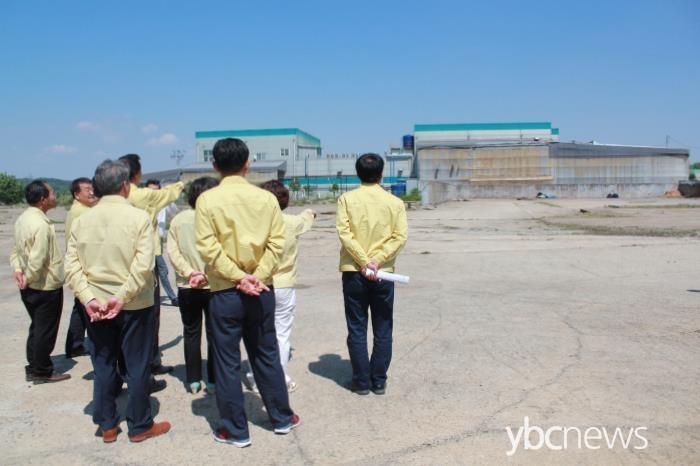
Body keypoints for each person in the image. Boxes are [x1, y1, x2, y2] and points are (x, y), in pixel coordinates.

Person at [196, 137, 299, 448]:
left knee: (227, 362)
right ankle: (281, 417)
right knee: (266, 354)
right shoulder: (266, 199)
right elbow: (277, 244)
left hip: (225, 292)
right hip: (261, 289)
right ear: (247, 163)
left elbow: (209, 248)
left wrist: (238, 277)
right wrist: (256, 276)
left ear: (214, 165)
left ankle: (236, 430)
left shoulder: (207, 200)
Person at [64, 159, 171, 443]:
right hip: (134, 305)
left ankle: (107, 424)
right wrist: (121, 297)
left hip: (96, 307)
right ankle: (140, 425)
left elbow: (71, 265)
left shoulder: (82, 220)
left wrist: (87, 298)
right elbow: (143, 265)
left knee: (103, 363)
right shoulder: (138, 218)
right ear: (125, 186)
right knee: (137, 365)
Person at [335, 153, 408, 395]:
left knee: (357, 327)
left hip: (354, 271)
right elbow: (400, 237)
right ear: (381, 174)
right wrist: (377, 260)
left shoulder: (346, 199)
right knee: (383, 327)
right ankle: (378, 380)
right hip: (383, 273)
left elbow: (345, 234)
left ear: (358, 173)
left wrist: (364, 261)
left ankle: (361, 382)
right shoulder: (394, 202)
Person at [118, 154, 184, 377]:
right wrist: (182, 182)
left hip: (119, 259)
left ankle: (123, 365)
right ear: (137, 174)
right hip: (146, 260)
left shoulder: (110, 199)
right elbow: (169, 194)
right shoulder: (143, 195)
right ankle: (149, 363)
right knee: (149, 315)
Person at [247, 180, 315, 393]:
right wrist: (310, 212)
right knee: (282, 335)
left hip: (258, 283)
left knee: (256, 333)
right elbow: (306, 219)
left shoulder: (253, 224)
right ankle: (280, 378)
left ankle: (255, 378)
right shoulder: (291, 222)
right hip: (284, 285)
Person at [10, 180, 70, 384]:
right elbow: (38, 258)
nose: (55, 196)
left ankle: (34, 366)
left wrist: (19, 271)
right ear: (43, 199)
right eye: (52, 193)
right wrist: (29, 276)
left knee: (37, 327)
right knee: (45, 330)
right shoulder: (41, 224)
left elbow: (16, 250)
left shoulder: (23, 219)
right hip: (44, 285)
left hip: (28, 284)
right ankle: (42, 371)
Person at [167, 176, 219, 394]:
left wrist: (190, 273)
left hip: (187, 285)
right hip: (214, 285)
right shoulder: (217, 218)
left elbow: (173, 252)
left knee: (191, 332)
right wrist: (206, 274)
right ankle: (214, 380)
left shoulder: (179, 220)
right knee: (215, 334)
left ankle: (193, 380)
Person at [64, 177, 97, 358]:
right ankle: (81, 344)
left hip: (79, 263)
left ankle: (75, 344)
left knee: (79, 306)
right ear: (77, 194)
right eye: (87, 189)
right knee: (87, 306)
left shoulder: (80, 209)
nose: (91, 192)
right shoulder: (82, 212)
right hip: (84, 265)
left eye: (92, 188)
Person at [146, 179, 179, 307]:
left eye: (156, 191)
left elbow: (174, 211)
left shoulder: (163, 204)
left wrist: (167, 197)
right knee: (161, 270)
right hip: (147, 242)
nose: (153, 194)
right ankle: (172, 297)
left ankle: (160, 296)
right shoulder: (144, 205)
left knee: (160, 271)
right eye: (150, 191)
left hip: (158, 242)